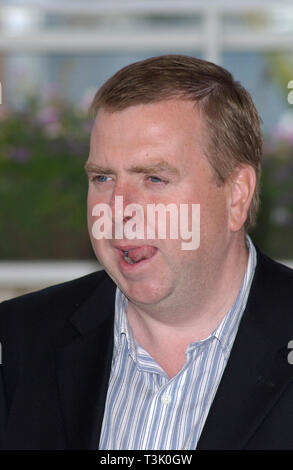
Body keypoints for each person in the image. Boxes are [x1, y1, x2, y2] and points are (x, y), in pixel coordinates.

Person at [0, 55, 293, 450]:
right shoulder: (18, 342)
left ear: (236, 195)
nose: (118, 209)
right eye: (103, 178)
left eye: (154, 178)